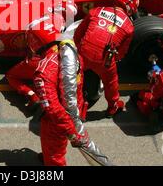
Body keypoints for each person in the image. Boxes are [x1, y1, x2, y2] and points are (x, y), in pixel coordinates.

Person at [26, 14, 108, 166]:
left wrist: (70, 131)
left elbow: (53, 109)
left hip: (57, 122)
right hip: (75, 110)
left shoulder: (43, 71)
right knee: (56, 147)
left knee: (55, 158)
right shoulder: (72, 51)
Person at [74, 0, 138, 117]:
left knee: (75, 78)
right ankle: (113, 107)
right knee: (111, 81)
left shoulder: (96, 10)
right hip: (105, 59)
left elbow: (78, 34)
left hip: (83, 52)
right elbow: (121, 53)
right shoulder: (130, 27)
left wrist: (78, 49)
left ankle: (76, 105)